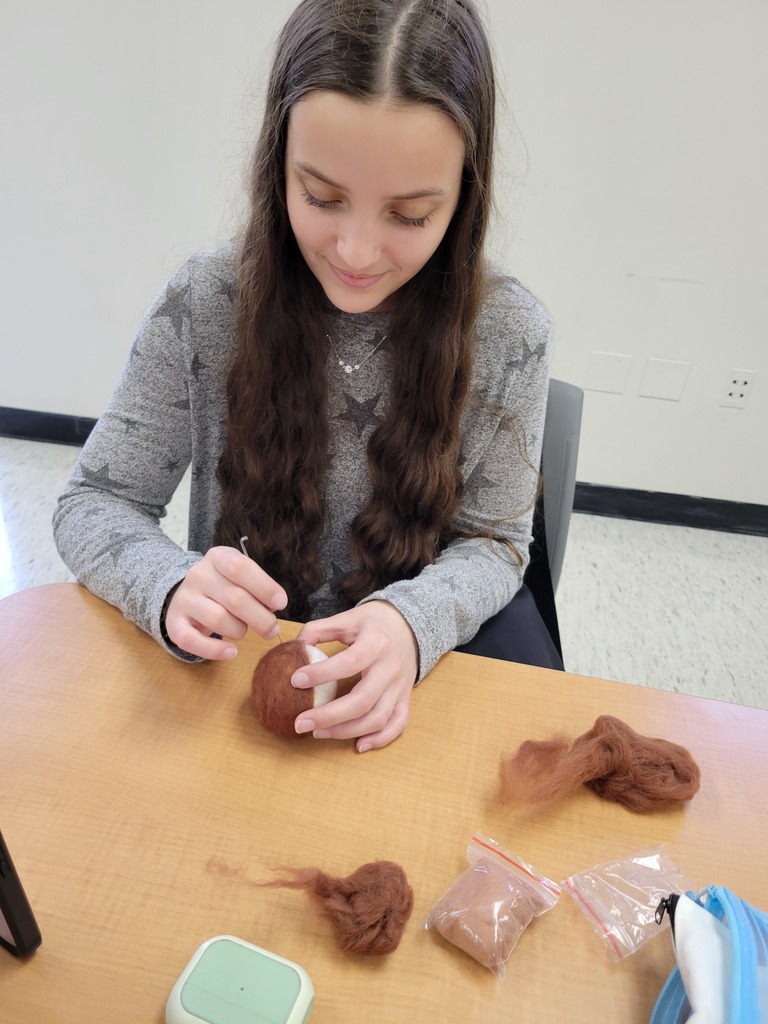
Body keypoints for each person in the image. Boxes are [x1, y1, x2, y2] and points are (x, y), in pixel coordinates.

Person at [53, 0, 562, 754]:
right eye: (322, 198)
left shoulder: (507, 334)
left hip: (408, 703)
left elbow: (498, 541)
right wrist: (168, 586)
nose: (356, 252)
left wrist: (411, 623)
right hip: (232, 696)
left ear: (465, 195)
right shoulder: (209, 301)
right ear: (277, 163)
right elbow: (95, 501)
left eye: (410, 216)